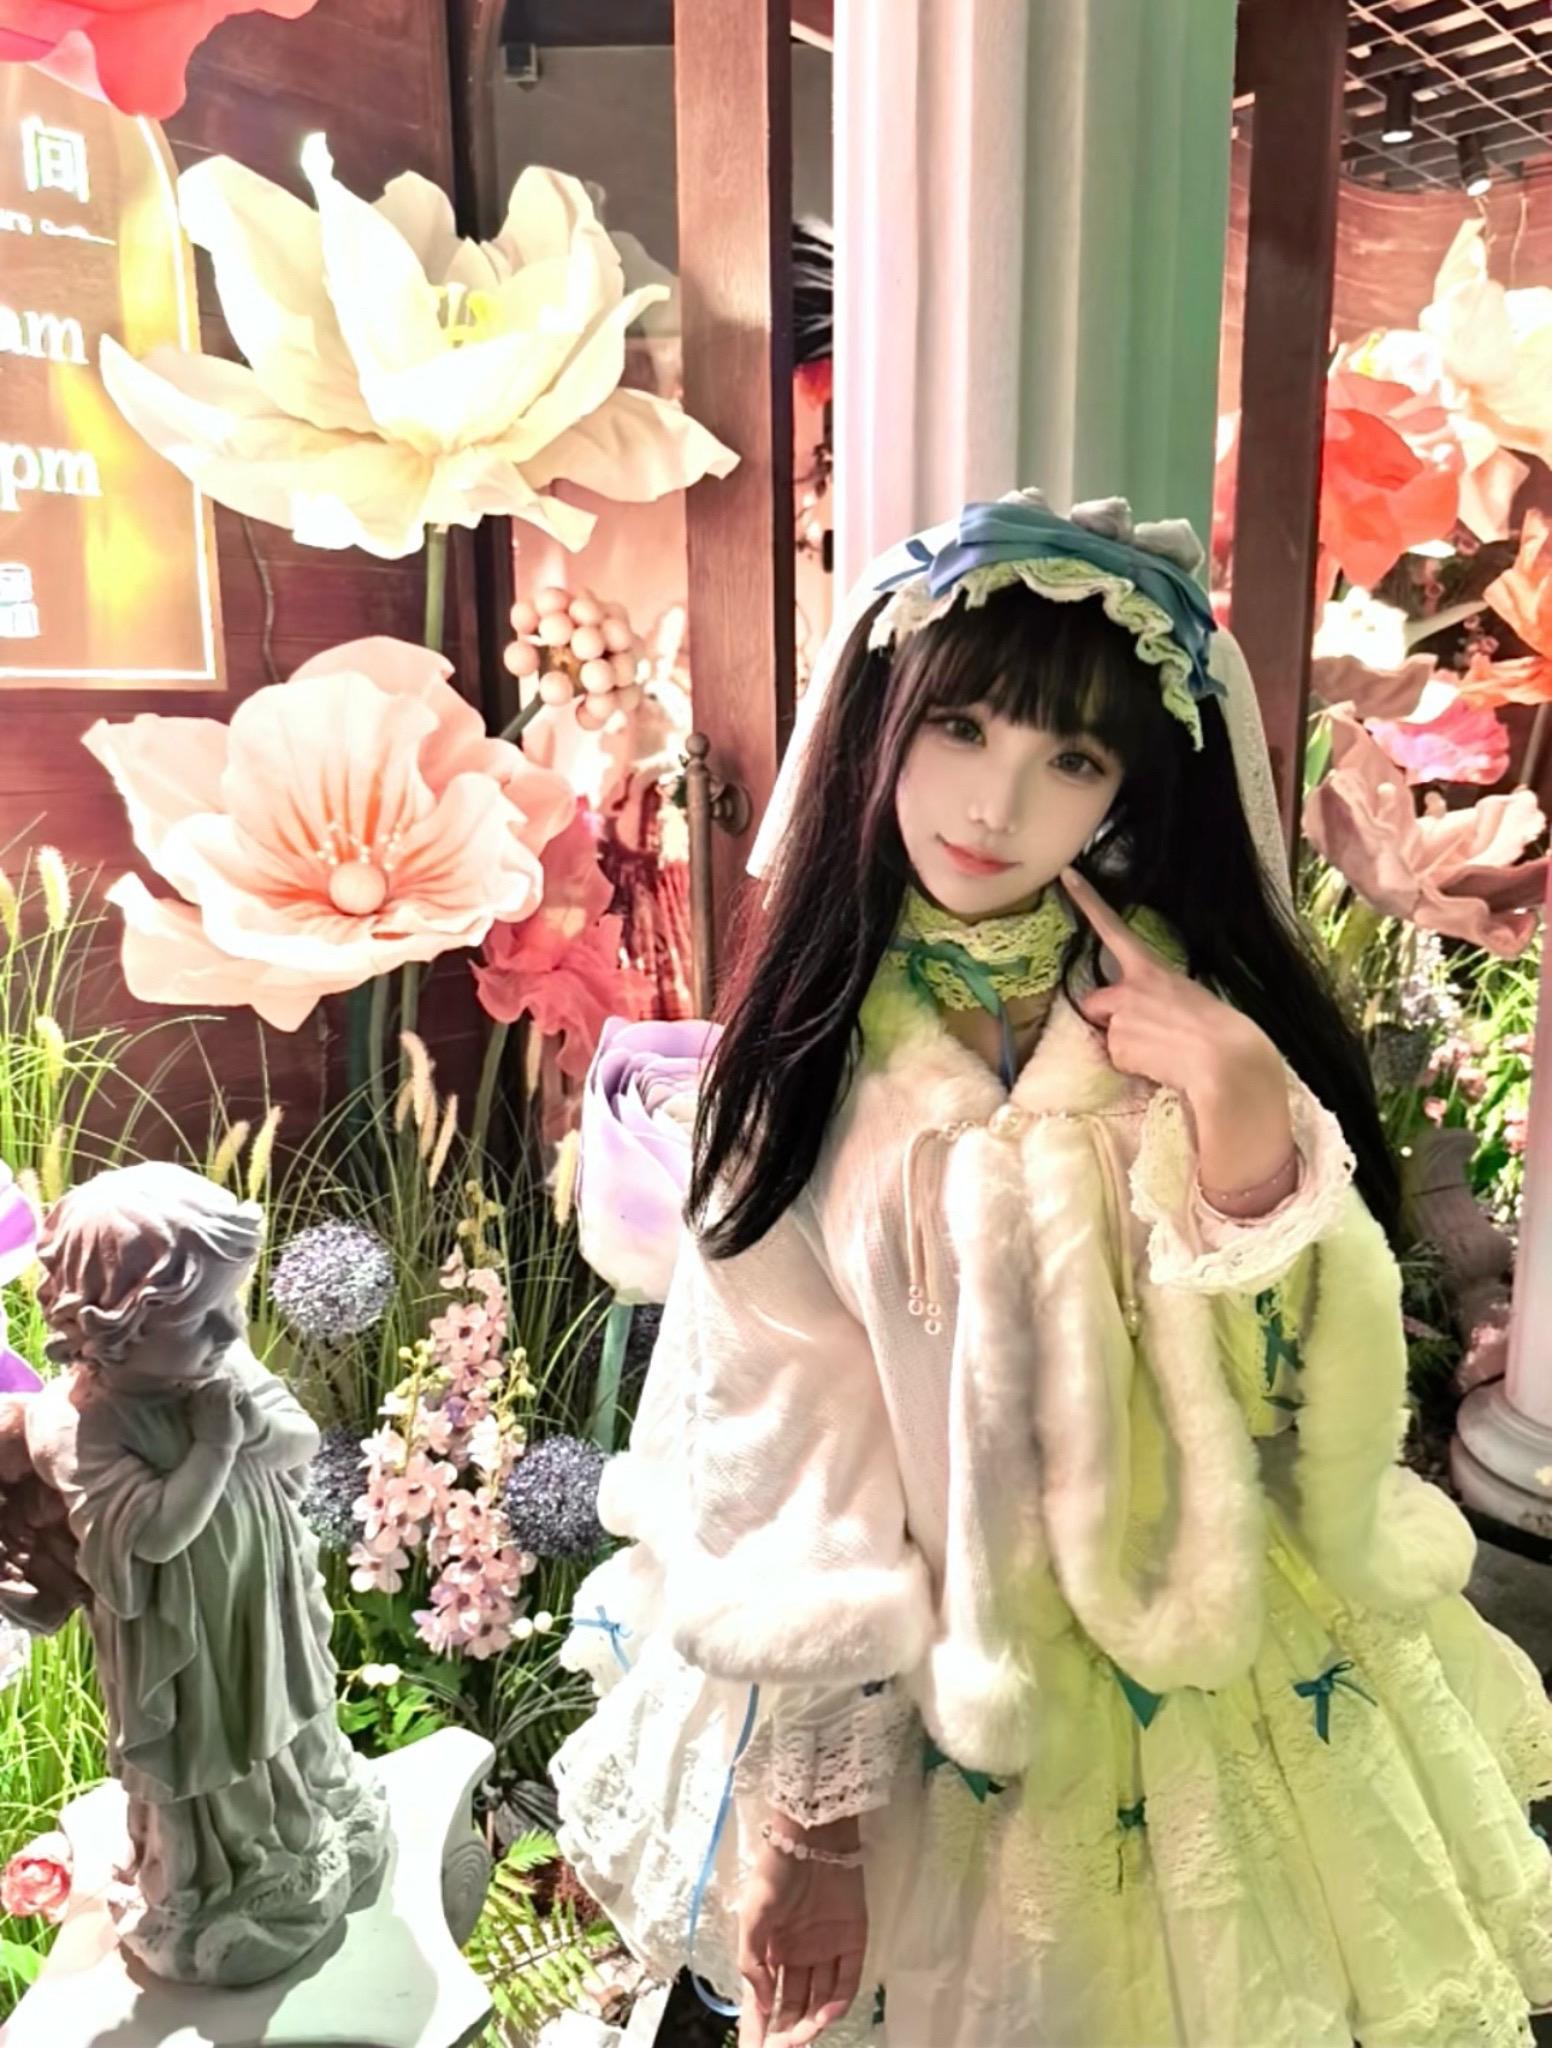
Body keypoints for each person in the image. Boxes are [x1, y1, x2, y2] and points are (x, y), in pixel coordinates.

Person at [549, 493, 1552, 2048]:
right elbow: (778, 1446)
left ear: (1129, 787)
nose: (996, 804)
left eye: (1072, 759)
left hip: (1211, 1652)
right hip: (918, 1685)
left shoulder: (1179, 1011)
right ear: (885, 724)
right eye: (960, 728)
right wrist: (818, 1824)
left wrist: (1241, 1119)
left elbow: (1293, 1402)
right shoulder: (808, 1065)